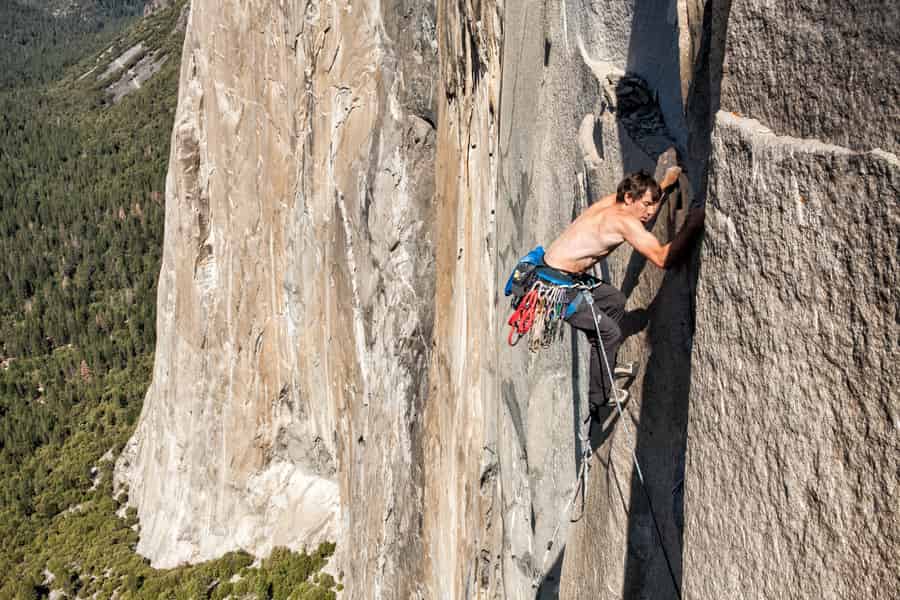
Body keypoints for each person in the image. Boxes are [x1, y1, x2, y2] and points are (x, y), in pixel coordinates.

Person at [543, 168, 704, 412]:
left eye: (653, 205)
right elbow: (662, 258)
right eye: (647, 205)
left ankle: (605, 364)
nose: (650, 213)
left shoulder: (614, 202)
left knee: (614, 300)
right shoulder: (624, 223)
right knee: (609, 333)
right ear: (630, 199)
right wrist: (692, 224)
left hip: (556, 274)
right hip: (554, 288)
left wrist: (664, 185)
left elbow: (640, 204)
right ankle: (600, 399)